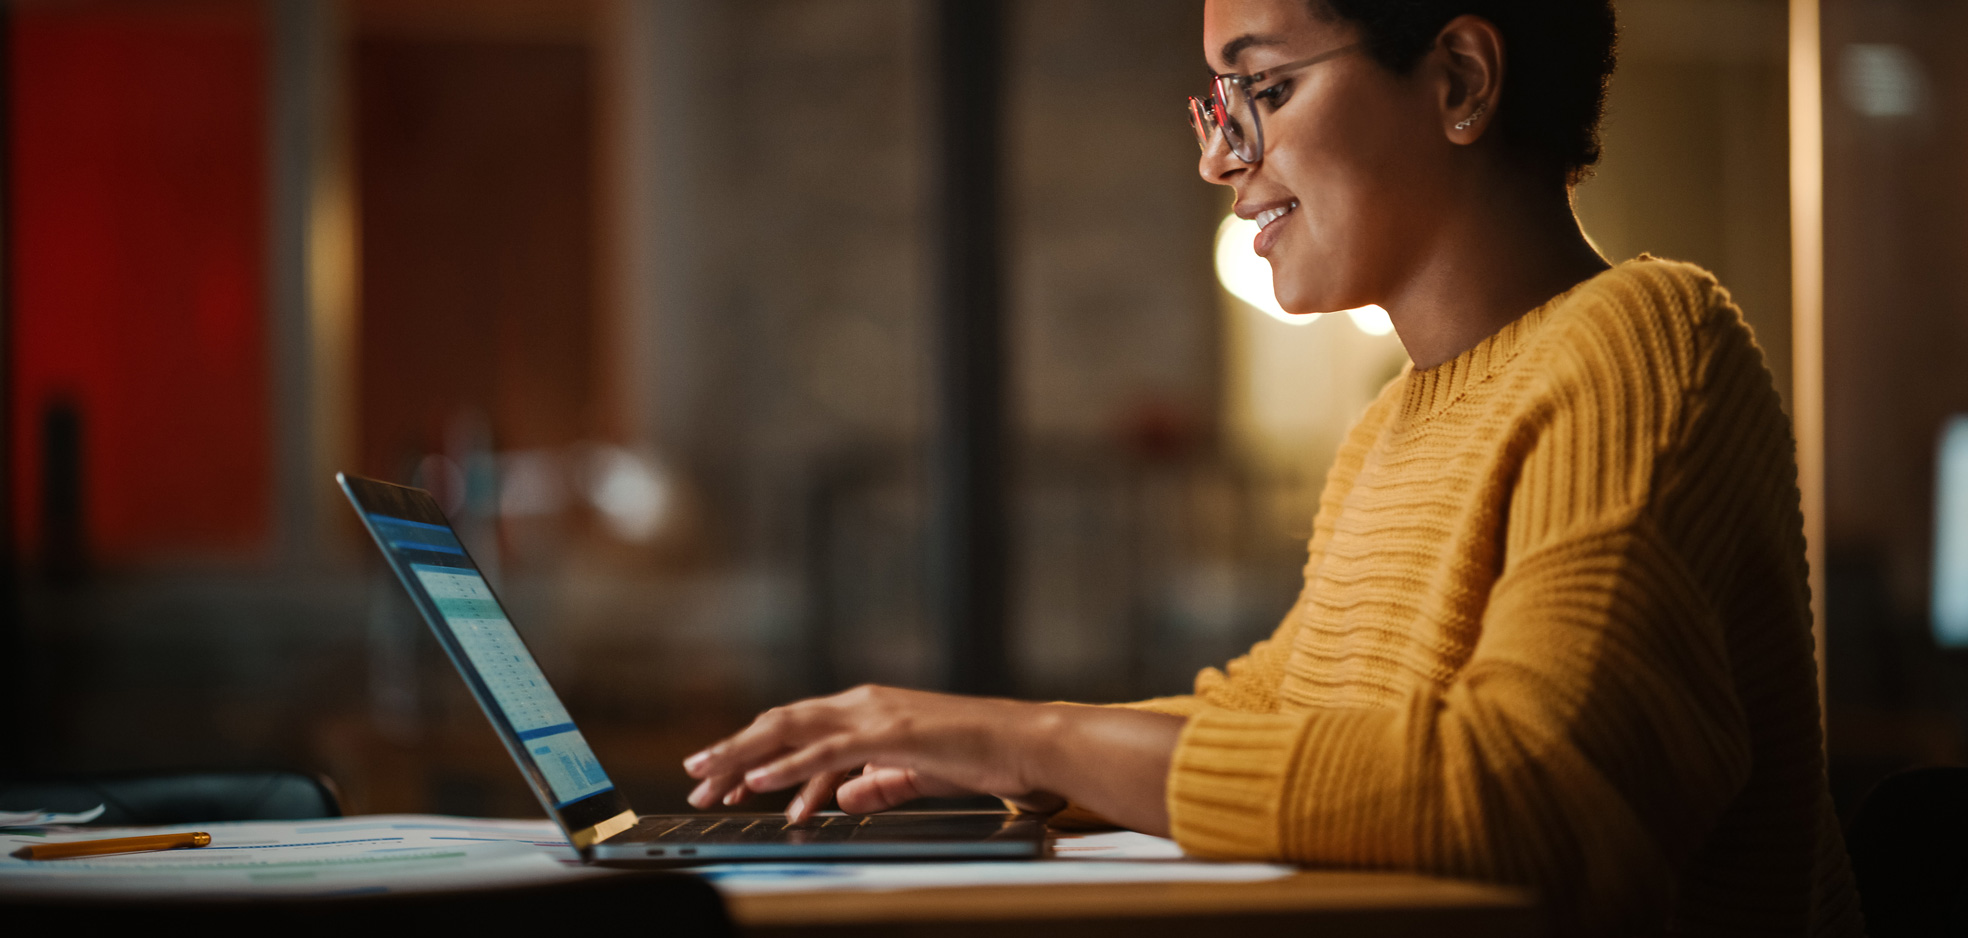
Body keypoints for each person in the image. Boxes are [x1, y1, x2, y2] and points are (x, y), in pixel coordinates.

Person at [682, 0, 1864, 933]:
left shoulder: (1648, 339)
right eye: (1220, 97)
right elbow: (1274, 711)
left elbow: (1527, 786)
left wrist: (1025, 740)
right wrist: (988, 757)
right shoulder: (1394, 424)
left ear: (1459, 80)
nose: (1218, 158)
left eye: (1266, 88)